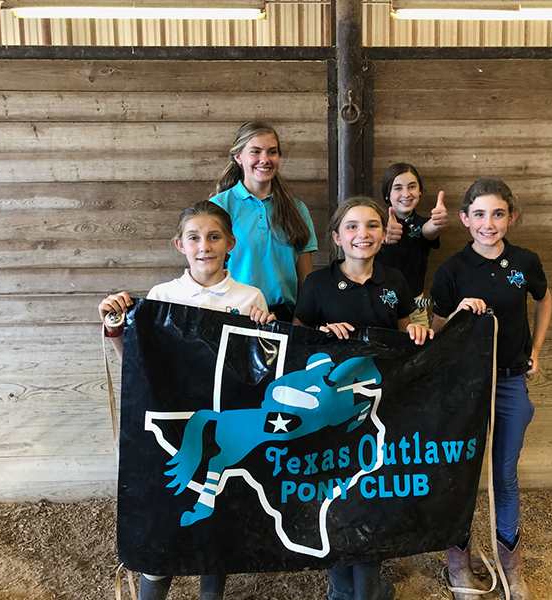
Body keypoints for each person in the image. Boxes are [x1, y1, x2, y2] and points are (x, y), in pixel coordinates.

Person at [98, 200, 275, 600]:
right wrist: (115, 325)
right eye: (194, 238)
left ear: (231, 243)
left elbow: (259, 374)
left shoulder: (251, 298)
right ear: (180, 245)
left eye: (214, 237)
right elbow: (140, 368)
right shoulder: (161, 296)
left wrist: (264, 331)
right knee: (166, 514)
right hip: (174, 426)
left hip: (224, 429)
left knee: (217, 518)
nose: (204, 246)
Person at [294, 196, 433, 600]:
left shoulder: (395, 280)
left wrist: (418, 333)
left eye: (372, 225)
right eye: (352, 227)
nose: (363, 234)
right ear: (336, 237)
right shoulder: (317, 284)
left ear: (383, 234)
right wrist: (322, 333)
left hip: (383, 408)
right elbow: (298, 341)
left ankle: (369, 590)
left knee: (374, 497)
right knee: (337, 499)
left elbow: (410, 329)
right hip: (334, 413)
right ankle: (342, 590)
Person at [430, 178, 552, 600]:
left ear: (511, 217)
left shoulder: (526, 261)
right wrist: (461, 313)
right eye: (479, 214)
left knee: (504, 473)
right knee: (462, 471)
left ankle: (510, 566)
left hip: (512, 379)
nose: (488, 223)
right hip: (465, 384)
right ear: (464, 219)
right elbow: (436, 330)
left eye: (498, 213)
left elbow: (544, 299)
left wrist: (536, 349)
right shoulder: (452, 271)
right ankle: (459, 564)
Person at [210, 121, 318, 322]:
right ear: (238, 157)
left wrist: (300, 322)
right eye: (256, 151)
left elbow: (306, 279)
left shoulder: (298, 209)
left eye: (272, 152)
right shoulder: (218, 207)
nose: (265, 159)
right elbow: (207, 271)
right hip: (234, 314)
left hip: (285, 317)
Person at [377, 163, 448, 327]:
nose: (406, 194)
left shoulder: (421, 224)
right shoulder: (374, 225)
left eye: (412, 187)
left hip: (414, 310)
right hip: (378, 306)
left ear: (420, 191)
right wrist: (383, 237)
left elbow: (427, 231)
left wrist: (436, 224)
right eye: (398, 188)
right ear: (387, 194)